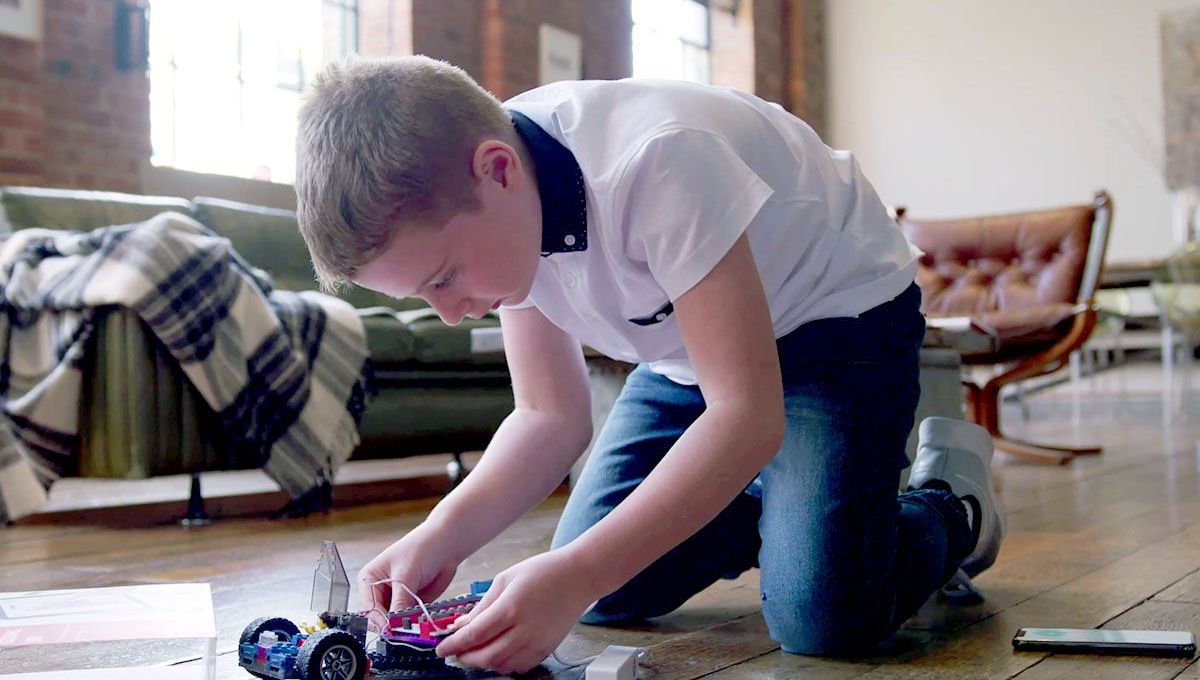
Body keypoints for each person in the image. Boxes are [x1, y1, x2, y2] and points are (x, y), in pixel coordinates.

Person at [294, 55, 1004, 675]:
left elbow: (746, 418)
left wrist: (576, 571)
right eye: (423, 295)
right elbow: (547, 417)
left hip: (836, 322)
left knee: (823, 616)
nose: (450, 313)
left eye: (444, 278)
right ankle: (793, 504)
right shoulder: (497, 212)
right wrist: (438, 534)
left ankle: (951, 503)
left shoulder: (659, 160)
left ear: (499, 170)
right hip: (689, 357)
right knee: (604, 593)